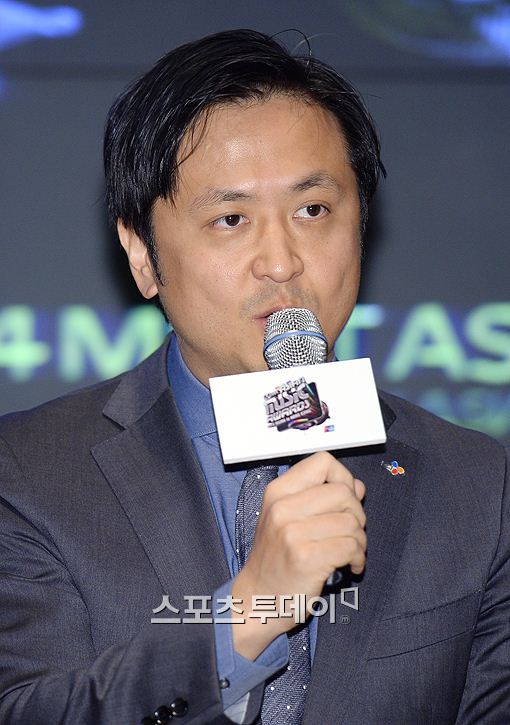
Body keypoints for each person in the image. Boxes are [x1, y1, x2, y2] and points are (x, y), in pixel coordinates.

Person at [0, 28, 508, 725]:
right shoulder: (27, 474)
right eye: (231, 218)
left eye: (312, 211)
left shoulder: (478, 485)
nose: (281, 261)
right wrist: (249, 611)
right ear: (142, 254)